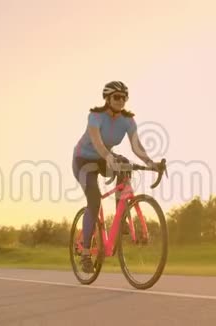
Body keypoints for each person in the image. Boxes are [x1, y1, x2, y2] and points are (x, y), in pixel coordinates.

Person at [72, 81, 164, 273]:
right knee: (94, 200)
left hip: (104, 158)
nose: (121, 101)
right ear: (107, 98)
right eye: (116, 97)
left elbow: (136, 145)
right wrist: (108, 157)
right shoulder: (95, 116)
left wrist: (150, 162)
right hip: (83, 161)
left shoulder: (127, 121)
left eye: (124, 97)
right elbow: (97, 142)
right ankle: (86, 254)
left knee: (125, 166)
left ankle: (120, 218)